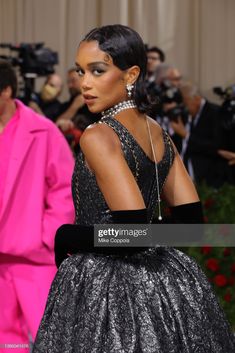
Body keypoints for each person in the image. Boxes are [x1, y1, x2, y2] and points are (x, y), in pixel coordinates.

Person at [32, 25, 235, 353]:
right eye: (80, 71)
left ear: (131, 75)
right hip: (169, 285)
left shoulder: (98, 135)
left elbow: (130, 232)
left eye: (98, 71)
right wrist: (151, 233)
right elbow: (192, 227)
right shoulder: (158, 133)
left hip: (105, 291)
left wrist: (70, 236)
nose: (85, 82)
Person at [0, 60, 75, 353]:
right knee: (8, 342)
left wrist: (48, 235)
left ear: (6, 91)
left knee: (50, 336)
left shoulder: (43, 131)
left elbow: (65, 188)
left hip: (34, 255)